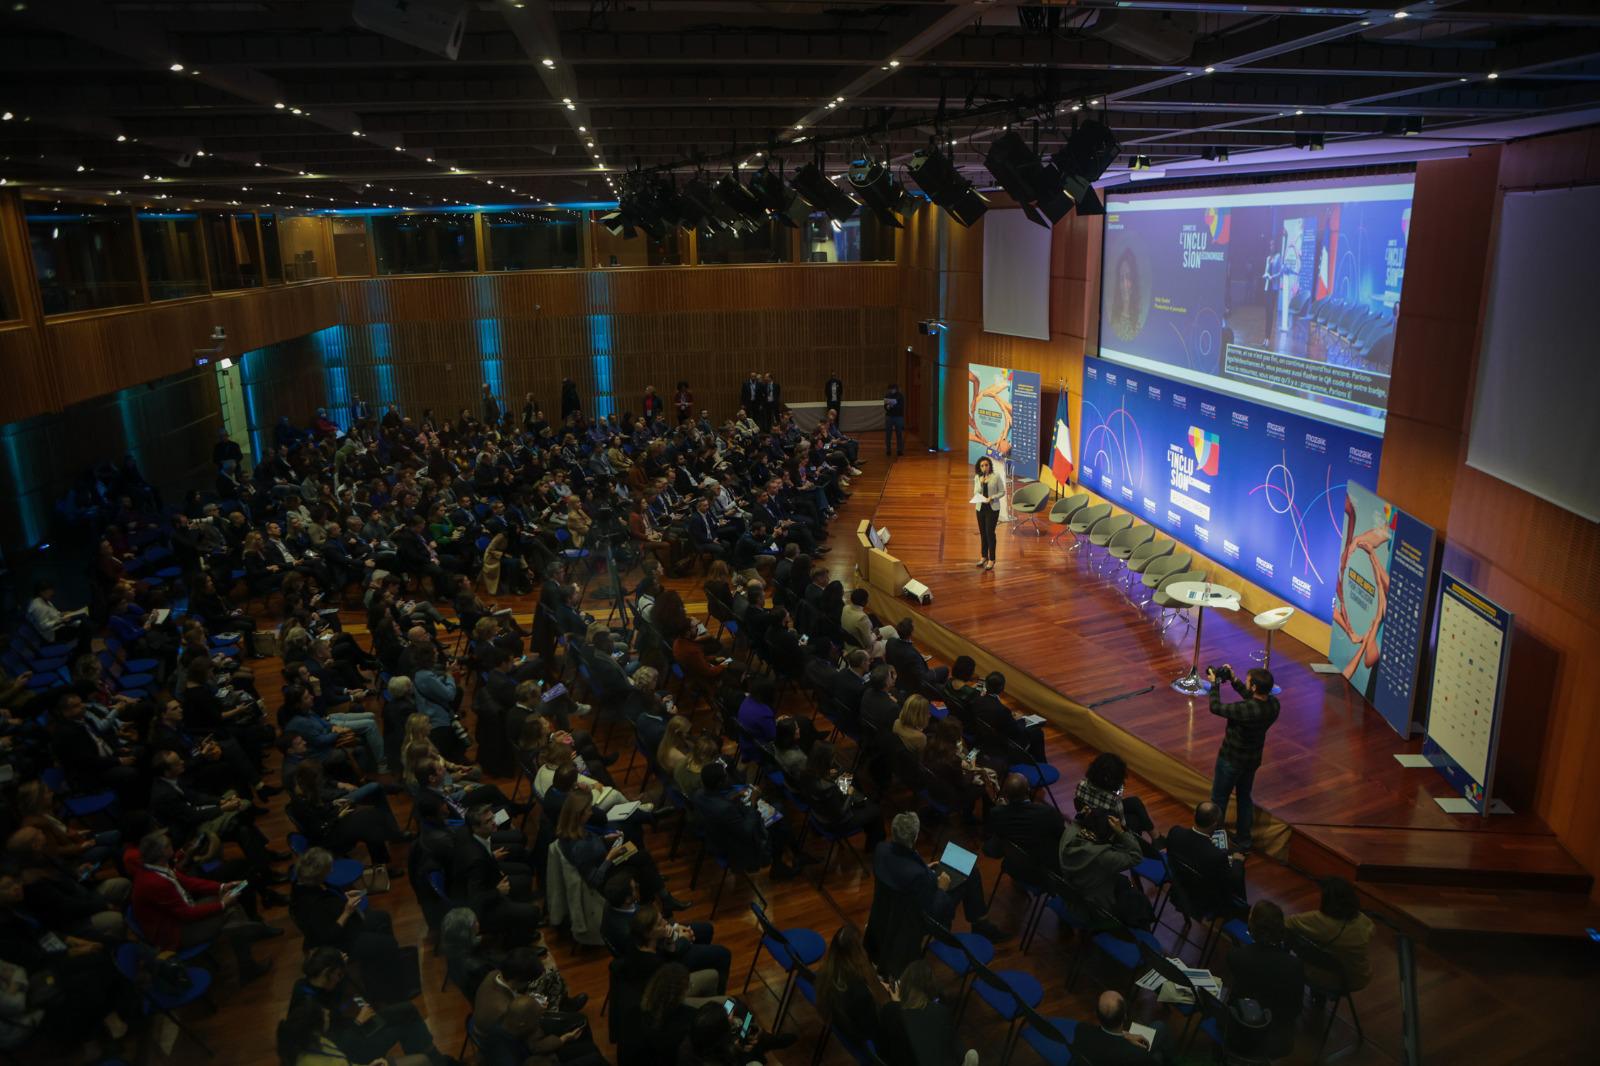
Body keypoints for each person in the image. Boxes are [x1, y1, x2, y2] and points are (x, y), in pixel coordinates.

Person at [130, 829, 280, 984]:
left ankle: (250, 944)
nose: (172, 846)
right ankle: (249, 957)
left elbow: (188, 882)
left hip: (182, 916)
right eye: (168, 845)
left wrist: (222, 887)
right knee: (231, 911)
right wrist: (222, 904)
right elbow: (186, 914)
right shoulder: (154, 882)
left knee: (232, 905)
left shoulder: (157, 867)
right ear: (161, 852)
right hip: (176, 932)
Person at [865, 812, 1004, 976]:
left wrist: (924, 868)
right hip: (916, 920)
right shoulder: (919, 876)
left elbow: (900, 872)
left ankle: (980, 922)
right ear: (915, 837)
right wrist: (940, 889)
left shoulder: (881, 851)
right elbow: (936, 910)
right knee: (971, 871)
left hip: (888, 914)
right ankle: (980, 923)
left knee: (957, 862)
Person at [290, 946, 452, 1066]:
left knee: (407, 1009)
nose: (341, 978)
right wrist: (358, 1022)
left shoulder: (311, 984)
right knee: (406, 1028)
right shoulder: (309, 1007)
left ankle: (435, 1059)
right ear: (327, 974)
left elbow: (334, 993)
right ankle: (436, 1061)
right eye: (338, 975)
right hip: (349, 1048)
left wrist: (339, 969)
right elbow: (332, 1050)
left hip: (351, 1031)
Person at [1205, 664, 1280, 852]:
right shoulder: (1273, 705)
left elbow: (1215, 707)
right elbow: (1252, 701)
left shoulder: (1244, 710)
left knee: (1219, 798)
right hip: (1252, 761)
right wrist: (1234, 680)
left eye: (1247, 682)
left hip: (1230, 760)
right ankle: (1244, 840)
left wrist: (1215, 684)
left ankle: (1216, 841)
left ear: (1254, 687)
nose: (1246, 684)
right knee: (1244, 797)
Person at [289, 847, 399, 969]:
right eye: (328, 868)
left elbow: (330, 900)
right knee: (389, 944)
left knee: (383, 917)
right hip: (338, 942)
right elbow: (329, 935)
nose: (331, 870)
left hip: (345, 923)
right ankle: (385, 967)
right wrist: (347, 912)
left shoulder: (308, 883)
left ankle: (380, 960)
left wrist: (343, 898)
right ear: (319, 875)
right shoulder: (312, 904)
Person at [450, 804, 544, 945]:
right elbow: (475, 899)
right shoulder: (476, 861)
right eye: (488, 821)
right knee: (533, 912)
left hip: (489, 877)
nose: (494, 822)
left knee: (525, 874)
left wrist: (491, 857)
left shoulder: (471, 835)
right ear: (475, 827)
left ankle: (519, 920)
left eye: (492, 818)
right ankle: (517, 940)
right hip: (483, 907)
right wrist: (498, 891)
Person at [1225, 901, 1304, 1059]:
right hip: (1275, 1038)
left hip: (1238, 1030)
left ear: (1251, 928)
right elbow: (1295, 1010)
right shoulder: (1293, 965)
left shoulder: (1235, 956)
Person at [1287, 875, 1375, 993]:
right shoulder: (1364, 922)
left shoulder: (1316, 920)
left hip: (1321, 976)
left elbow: (1286, 923)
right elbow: (1371, 933)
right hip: (1356, 978)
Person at [1057, 807, 1147, 922]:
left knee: (1123, 881)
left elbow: (1076, 823)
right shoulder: (1103, 856)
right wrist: (1122, 832)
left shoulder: (1069, 834)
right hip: (1095, 909)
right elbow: (1136, 856)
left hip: (1073, 896)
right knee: (1138, 900)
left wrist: (1084, 815)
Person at [876, 959, 973, 1066]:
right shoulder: (938, 1012)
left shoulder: (889, 1009)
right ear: (929, 989)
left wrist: (896, 1005)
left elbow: (882, 1048)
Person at [1163, 800, 1247, 915]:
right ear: (1214, 824)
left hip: (1180, 888)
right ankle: (1241, 913)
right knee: (1238, 871)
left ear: (1194, 815)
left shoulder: (1175, 832)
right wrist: (1237, 861)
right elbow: (1230, 881)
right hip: (1204, 901)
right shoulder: (1217, 855)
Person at [983, 772, 1065, 883]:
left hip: (1013, 865)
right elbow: (1062, 836)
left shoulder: (997, 813)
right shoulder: (1047, 813)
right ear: (1029, 791)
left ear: (1005, 795)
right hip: (1042, 873)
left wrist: (1001, 807)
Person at [816, 925, 886, 1049]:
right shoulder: (860, 993)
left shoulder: (825, 972)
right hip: (864, 1040)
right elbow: (875, 1030)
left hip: (844, 1026)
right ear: (857, 952)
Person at [1073, 990, 1171, 1065]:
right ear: (1125, 1016)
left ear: (1097, 1014)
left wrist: (1125, 1035)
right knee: (1160, 1030)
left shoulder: (1081, 1030)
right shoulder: (1135, 1053)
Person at [972, 455, 1005, 570]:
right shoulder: (977, 477)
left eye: (986, 465)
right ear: (979, 467)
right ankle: (983, 556)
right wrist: (981, 484)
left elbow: (1002, 492)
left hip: (992, 508)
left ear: (990, 465)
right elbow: (975, 492)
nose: (984, 467)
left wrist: (993, 497)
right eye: (982, 466)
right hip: (980, 508)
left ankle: (992, 559)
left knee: (990, 533)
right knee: (983, 533)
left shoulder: (996, 477)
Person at [883, 383, 906, 457]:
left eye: (892, 389)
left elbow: (901, 406)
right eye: (890, 389)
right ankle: (888, 450)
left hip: (898, 417)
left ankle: (899, 450)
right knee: (888, 434)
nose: (891, 390)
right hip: (889, 416)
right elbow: (885, 406)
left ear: (896, 389)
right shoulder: (887, 395)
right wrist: (887, 407)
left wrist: (893, 405)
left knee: (899, 434)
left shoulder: (900, 396)